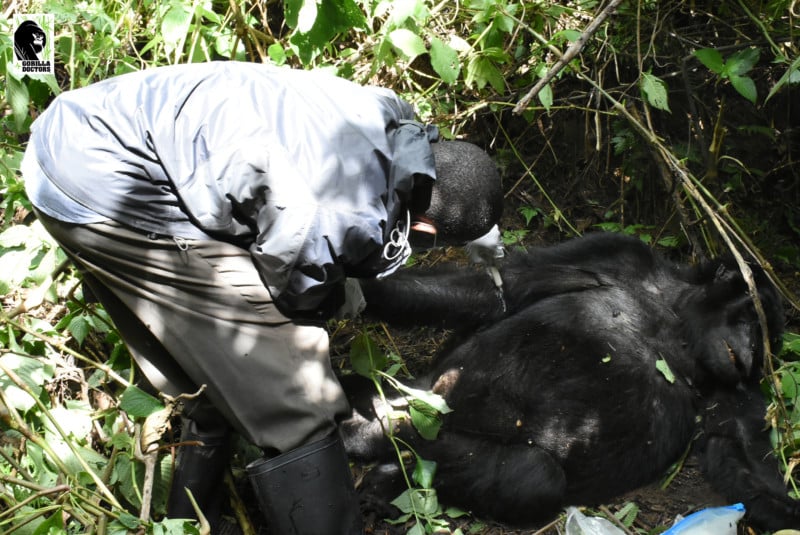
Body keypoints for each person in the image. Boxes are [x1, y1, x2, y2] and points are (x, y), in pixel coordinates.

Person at [21, 61, 503, 534]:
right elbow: (292, 293)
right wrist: (336, 287)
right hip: (101, 184)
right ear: (424, 228)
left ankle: (187, 521)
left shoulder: (392, 116)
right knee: (295, 387)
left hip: (93, 132)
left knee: (214, 369)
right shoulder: (337, 213)